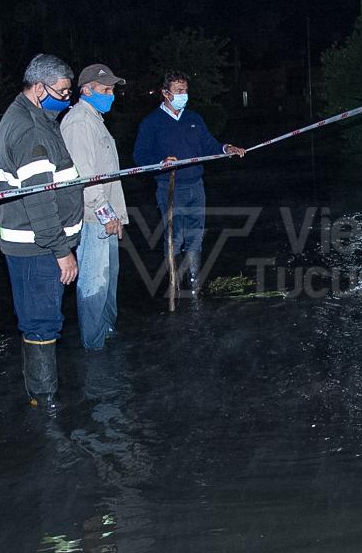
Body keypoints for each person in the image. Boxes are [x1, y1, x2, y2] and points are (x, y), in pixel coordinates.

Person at [0, 54, 82, 412]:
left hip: (34, 244)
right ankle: (45, 404)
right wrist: (61, 250)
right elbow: (40, 199)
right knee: (42, 322)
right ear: (39, 87)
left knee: (38, 318)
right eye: (62, 92)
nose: (67, 98)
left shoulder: (32, 117)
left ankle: (40, 393)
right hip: (37, 247)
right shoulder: (30, 129)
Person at [133, 71, 245, 296]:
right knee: (175, 236)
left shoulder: (194, 118)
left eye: (185, 90)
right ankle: (175, 284)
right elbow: (140, 156)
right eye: (178, 91)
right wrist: (160, 163)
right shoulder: (151, 122)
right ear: (165, 93)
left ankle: (194, 284)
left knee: (195, 235)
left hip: (196, 185)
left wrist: (226, 149)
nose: (184, 95)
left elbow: (208, 144)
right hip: (170, 187)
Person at [60, 63, 129, 350]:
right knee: (94, 283)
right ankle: (94, 346)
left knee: (108, 280)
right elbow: (85, 177)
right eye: (105, 89)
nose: (110, 95)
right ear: (86, 90)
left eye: (112, 89)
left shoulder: (95, 119)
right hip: (94, 220)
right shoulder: (78, 123)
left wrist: (118, 216)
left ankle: (106, 332)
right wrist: (105, 215)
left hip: (108, 217)